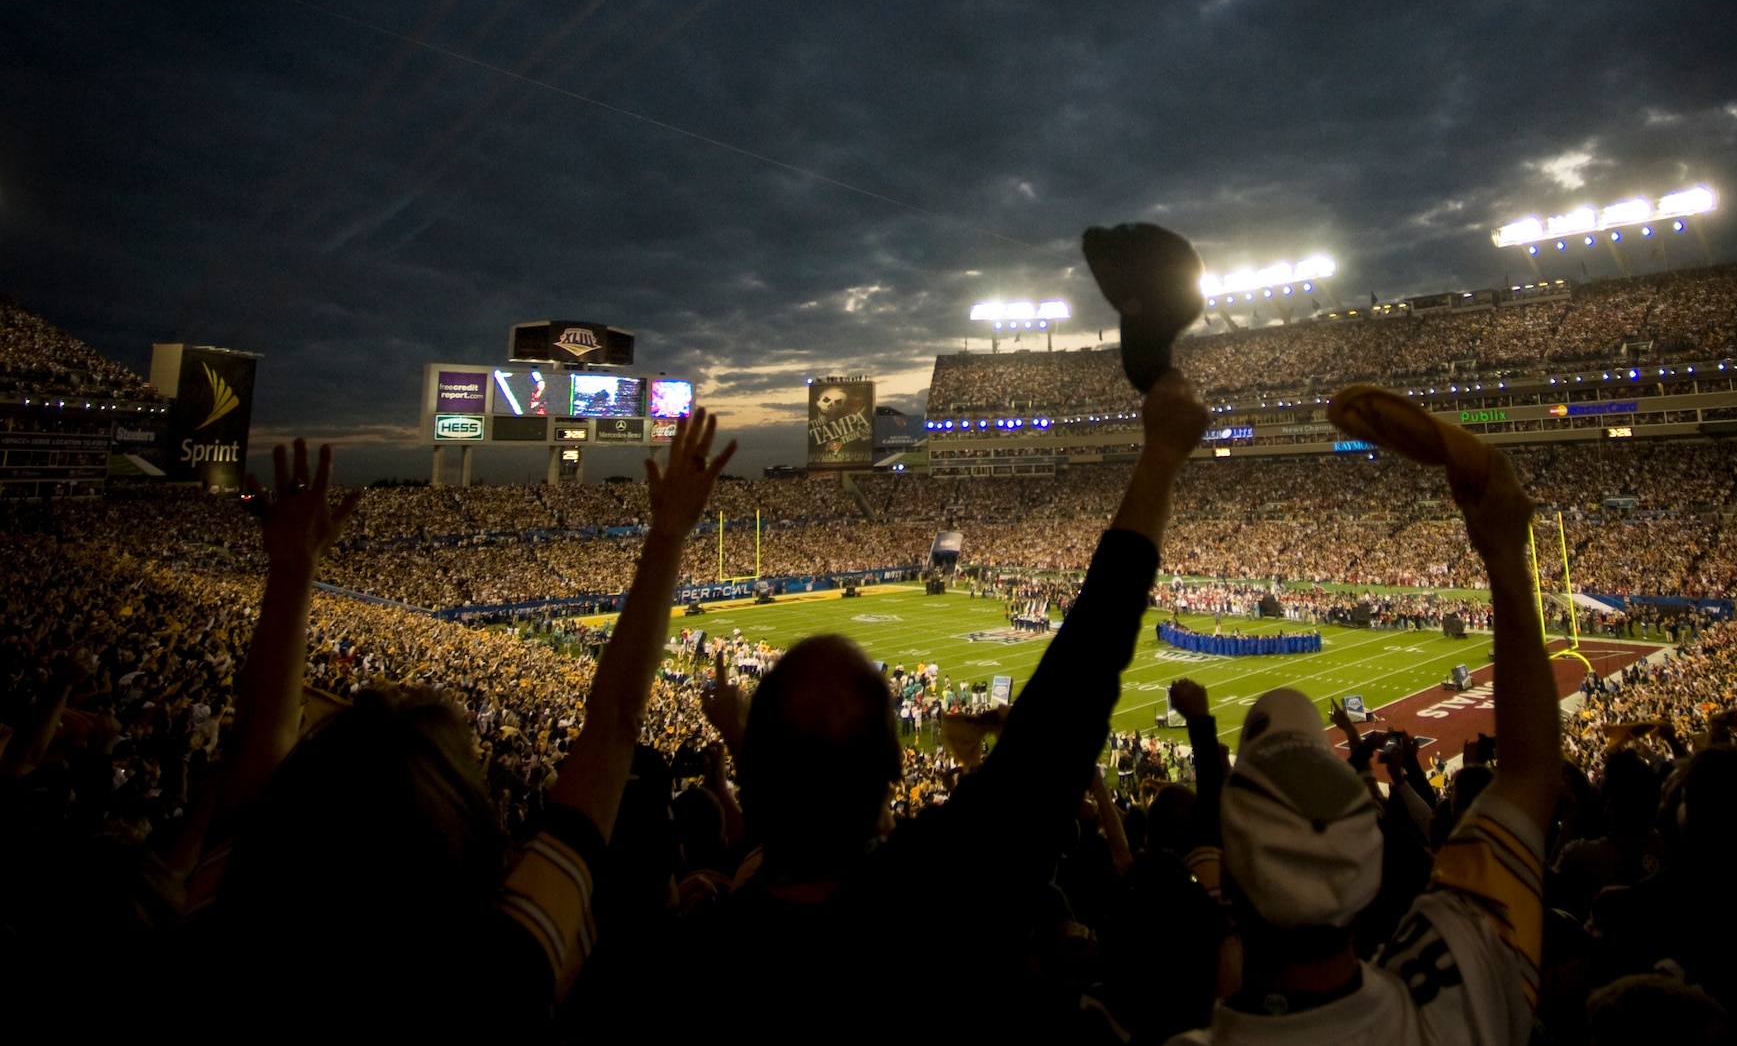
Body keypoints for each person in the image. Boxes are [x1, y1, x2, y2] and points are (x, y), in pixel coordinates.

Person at [646, 369, 1211, 1038]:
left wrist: (668, 535)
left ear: (758, 777)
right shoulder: (937, 894)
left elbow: (612, 730)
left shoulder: (690, 961)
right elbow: (1075, 688)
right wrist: (1160, 456)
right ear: (892, 762)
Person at [192, 416, 735, 1031]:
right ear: (469, 829)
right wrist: (668, 533)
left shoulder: (225, 926)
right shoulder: (495, 971)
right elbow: (614, 720)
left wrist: (291, 570)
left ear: (295, 812)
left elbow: (258, 728)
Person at [1170, 438, 1560, 1046]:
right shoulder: (1458, 991)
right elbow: (1533, 772)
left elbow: (1530, 775)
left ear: (1234, 896)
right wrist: (1506, 556)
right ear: (1368, 876)